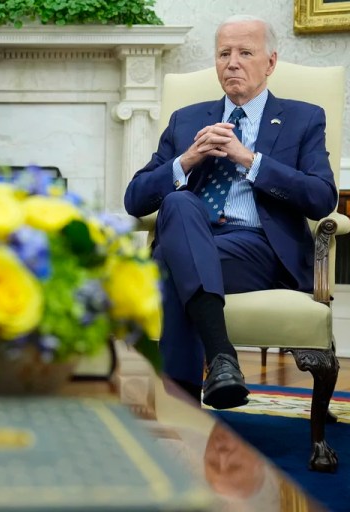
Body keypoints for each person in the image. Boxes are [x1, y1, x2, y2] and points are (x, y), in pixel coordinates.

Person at [124, 15, 337, 409]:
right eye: (224, 53)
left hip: (259, 250)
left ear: (270, 62)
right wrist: (186, 161)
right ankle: (222, 358)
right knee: (179, 202)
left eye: (245, 52)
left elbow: (322, 197)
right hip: (194, 238)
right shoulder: (187, 120)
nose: (232, 62)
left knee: (171, 268)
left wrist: (249, 159)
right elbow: (134, 198)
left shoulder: (303, 118)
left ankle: (179, 410)